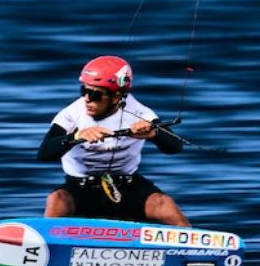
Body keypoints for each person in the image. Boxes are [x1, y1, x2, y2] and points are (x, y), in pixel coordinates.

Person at [37, 55, 190, 227]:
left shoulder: (141, 113)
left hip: (128, 187)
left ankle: (194, 249)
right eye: (84, 91)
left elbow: (175, 147)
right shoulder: (71, 115)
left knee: (164, 204)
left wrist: (153, 135)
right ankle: (48, 246)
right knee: (57, 200)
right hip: (81, 189)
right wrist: (75, 137)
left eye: (95, 94)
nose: (87, 99)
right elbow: (44, 154)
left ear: (116, 97)